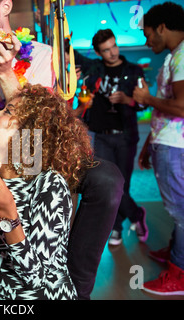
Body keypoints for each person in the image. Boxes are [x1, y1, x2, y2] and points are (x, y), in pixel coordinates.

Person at [0, 0, 124, 300]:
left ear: (6, 6)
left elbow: (35, 131)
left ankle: (75, 292)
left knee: (107, 178)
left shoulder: (41, 55)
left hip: (31, 159)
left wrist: (5, 72)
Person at [0, 83, 93, 299]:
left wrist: (9, 214)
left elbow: (36, 279)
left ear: (29, 133)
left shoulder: (49, 185)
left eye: (8, 111)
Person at [74, 29, 148, 246]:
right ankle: (134, 216)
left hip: (125, 136)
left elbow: (144, 103)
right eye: (106, 50)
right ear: (98, 52)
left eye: (114, 46)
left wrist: (128, 100)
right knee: (110, 184)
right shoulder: (94, 68)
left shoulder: (134, 71)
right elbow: (68, 52)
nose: (113, 53)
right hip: (102, 136)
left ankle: (117, 226)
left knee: (123, 185)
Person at [133, 1, 184, 297]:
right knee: (177, 207)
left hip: (175, 146)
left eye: (148, 33)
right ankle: (175, 251)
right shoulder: (175, 56)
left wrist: (146, 98)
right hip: (166, 142)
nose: (146, 40)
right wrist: (149, 145)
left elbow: (180, 106)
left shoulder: (181, 56)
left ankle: (178, 272)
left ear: (162, 28)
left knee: (180, 211)